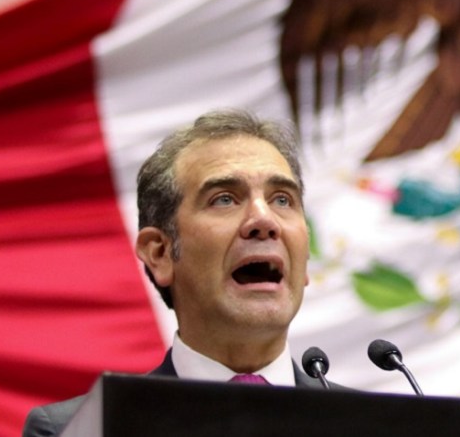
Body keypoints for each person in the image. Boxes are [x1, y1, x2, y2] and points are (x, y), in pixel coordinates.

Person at [23, 109, 347, 437]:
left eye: (282, 199)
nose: (264, 220)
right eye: (224, 199)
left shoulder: (380, 426)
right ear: (160, 253)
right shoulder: (83, 429)